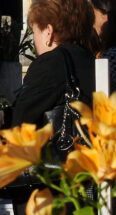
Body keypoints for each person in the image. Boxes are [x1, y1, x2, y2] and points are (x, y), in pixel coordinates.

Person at [10, 0, 96, 128]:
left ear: (49, 31)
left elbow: (21, 123)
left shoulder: (49, 64)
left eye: (35, 32)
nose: (34, 41)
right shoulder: (91, 60)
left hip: (60, 147)